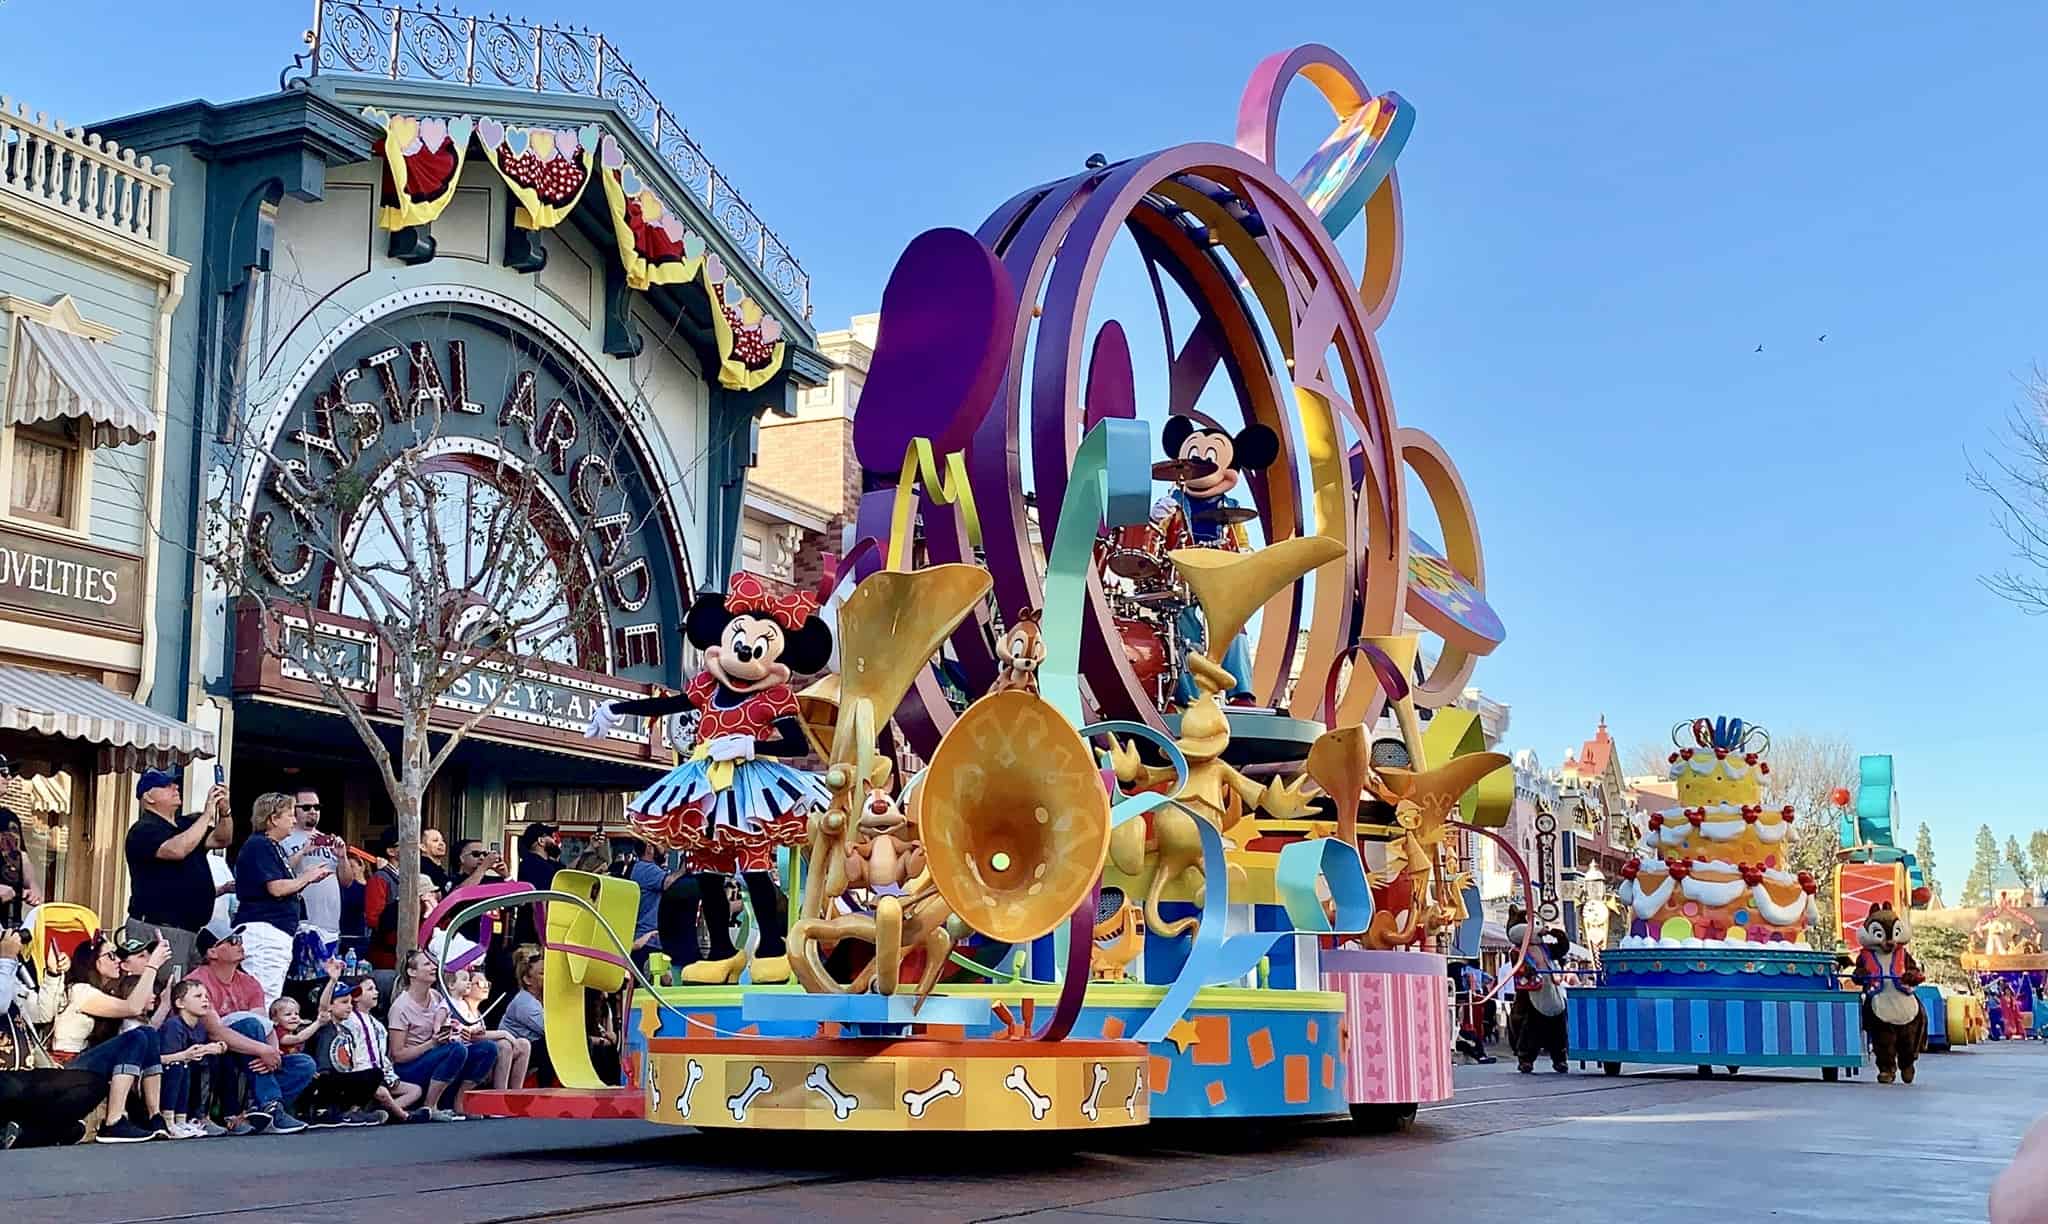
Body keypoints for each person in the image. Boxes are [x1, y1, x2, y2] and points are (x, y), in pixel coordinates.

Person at [187, 928, 314, 1133]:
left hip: (250, 1053)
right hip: (216, 1051)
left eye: (239, 939)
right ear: (212, 952)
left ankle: (255, 1111)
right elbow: (215, 1032)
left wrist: (272, 1050)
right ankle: (271, 1106)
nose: (239, 943)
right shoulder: (198, 982)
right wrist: (262, 1051)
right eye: (232, 940)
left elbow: (266, 1026)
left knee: (304, 1064)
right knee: (249, 1024)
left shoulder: (249, 982)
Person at [49, 933, 171, 1142]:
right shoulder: (81, 991)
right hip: (65, 1066)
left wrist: (165, 1002)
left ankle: (154, 1115)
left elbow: (142, 1018)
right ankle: (113, 1122)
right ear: (93, 961)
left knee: (146, 1034)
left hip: (85, 1062)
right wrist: (152, 966)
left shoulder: (107, 990)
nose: (118, 960)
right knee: (136, 1038)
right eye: (111, 955)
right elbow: (133, 1007)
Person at [0, 930, 101, 1148]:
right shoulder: (5, 969)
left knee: (93, 1083)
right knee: (11, 1089)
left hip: (25, 1075)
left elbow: (42, 1014)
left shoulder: (10, 976)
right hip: (4, 1082)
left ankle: (23, 1134)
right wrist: (6, 960)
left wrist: (54, 975)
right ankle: (49, 1131)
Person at [125, 769, 229, 970]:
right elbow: (177, 850)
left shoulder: (186, 825)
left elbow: (222, 839)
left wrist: (225, 812)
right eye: (166, 786)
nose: (175, 788)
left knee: (187, 994)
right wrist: (207, 813)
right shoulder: (143, 829)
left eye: (174, 784)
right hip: (159, 928)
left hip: (191, 930)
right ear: (148, 796)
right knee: (163, 990)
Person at [235, 792, 331, 1004]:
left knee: (271, 992)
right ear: (273, 819)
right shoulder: (260, 845)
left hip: (275, 931)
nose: (294, 820)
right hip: (264, 932)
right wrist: (307, 876)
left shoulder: (272, 847)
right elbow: (276, 888)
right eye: (289, 815)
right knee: (264, 996)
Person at [388, 949, 496, 1119]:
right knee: (456, 1050)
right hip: (411, 1065)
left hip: (439, 1054)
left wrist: (466, 1033)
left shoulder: (437, 996)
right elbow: (398, 1055)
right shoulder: (400, 1007)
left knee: (487, 1048)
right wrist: (432, 1044)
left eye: (434, 964)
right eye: (427, 964)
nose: (433, 967)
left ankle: (460, 1101)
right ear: (412, 972)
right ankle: (430, 1106)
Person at [332, 977, 426, 1124]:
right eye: (370, 989)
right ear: (356, 997)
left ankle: (383, 1112)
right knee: (381, 1092)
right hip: (362, 1074)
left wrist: (389, 1075)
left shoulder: (377, 1024)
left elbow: (382, 1054)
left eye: (375, 988)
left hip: (381, 1073)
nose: (376, 992)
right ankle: (404, 1116)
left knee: (415, 1090)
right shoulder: (349, 1019)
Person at [156, 979, 228, 1138]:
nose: (205, 999)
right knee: (179, 1065)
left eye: (206, 996)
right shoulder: (174, 1025)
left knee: (213, 1061)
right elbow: (161, 1059)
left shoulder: (200, 1027)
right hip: (165, 1076)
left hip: (188, 1074)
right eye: (198, 996)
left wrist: (218, 1047)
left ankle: (193, 1117)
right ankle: (169, 1120)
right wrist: (188, 1054)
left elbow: (199, 1051)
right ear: (180, 1003)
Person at [278, 789, 345, 944]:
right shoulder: (284, 838)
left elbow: (346, 881)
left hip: (330, 924)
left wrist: (343, 857)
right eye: (307, 807)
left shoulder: (327, 840)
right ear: (294, 810)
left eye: (317, 807)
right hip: (299, 923)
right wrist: (303, 851)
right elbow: (279, 873)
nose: (313, 811)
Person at [450, 968, 530, 1090]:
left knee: (524, 1044)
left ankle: (516, 1093)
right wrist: (503, 1033)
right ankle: (500, 1093)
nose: (485, 987)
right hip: (469, 1053)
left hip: (483, 1051)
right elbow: (471, 1035)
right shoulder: (460, 1008)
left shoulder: (477, 1012)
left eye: (487, 984)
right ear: (468, 987)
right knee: (504, 1044)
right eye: (481, 983)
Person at [0, 757, 40, 929]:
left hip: (11, 918)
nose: (9, 778)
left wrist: (32, 885)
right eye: (3, 773)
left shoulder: (10, 817)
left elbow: (21, 854)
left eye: (9, 774)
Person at [502, 947, 549, 1086]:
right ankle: (544, 1091)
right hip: (515, 1050)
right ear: (528, 979)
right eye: (542, 974)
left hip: (530, 1047)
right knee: (547, 1047)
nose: (548, 978)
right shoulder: (524, 1002)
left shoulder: (541, 998)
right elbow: (549, 1031)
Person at [513, 823, 562, 949]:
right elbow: (539, 903)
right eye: (551, 837)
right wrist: (544, 940)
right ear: (541, 840)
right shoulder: (537, 865)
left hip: (530, 938)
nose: (555, 841)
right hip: (532, 940)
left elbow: (570, 872)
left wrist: (591, 847)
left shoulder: (541, 864)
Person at [421, 828, 450, 893]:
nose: (441, 843)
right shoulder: (423, 868)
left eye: (442, 840)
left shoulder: (437, 869)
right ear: (422, 847)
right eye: (435, 840)